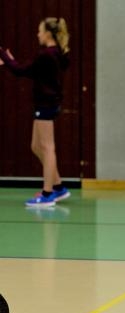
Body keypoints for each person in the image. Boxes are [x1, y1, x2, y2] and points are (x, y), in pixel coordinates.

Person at [0, 17, 71, 208]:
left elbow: (20, 71)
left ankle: (48, 194)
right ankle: (58, 187)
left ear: (48, 33)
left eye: (40, 31)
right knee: (35, 146)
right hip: (45, 104)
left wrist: (5, 58)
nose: (37, 34)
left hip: (46, 105)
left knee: (47, 148)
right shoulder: (53, 54)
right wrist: (9, 61)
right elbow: (26, 70)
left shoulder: (47, 55)